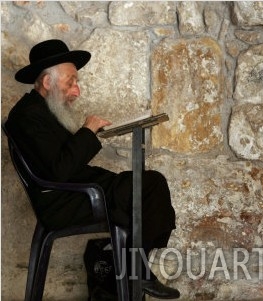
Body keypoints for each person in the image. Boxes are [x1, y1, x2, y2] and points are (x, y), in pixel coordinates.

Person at [6, 39, 180, 299]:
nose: (76, 91)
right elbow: (58, 171)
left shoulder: (40, 110)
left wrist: (90, 133)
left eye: (76, 83)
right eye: (70, 82)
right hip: (65, 200)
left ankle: (131, 271)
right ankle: (135, 272)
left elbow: (61, 160)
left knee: (149, 189)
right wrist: (87, 131)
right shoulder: (28, 115)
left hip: (77, 192)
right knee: (150, 185)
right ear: (47, 83)